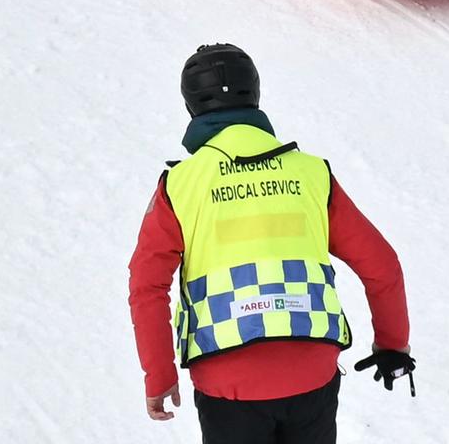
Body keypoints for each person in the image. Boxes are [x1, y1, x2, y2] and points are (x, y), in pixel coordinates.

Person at [128, 44, 415, 442]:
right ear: (255, 94)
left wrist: (159, 375)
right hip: (311, 370)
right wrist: (393, 345)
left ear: (191, 106)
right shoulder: (311, 175)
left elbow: (147, 287)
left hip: (227, 380)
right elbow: (382, 265)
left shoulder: (180, 187)